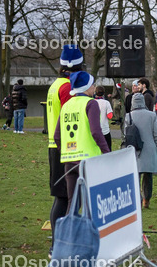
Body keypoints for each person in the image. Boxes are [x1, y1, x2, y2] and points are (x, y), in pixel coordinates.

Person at [55, 71, 110, 208]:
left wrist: (65, 151)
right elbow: (96, 132)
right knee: (92, 203)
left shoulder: (67, 105)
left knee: (72, 204)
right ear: (86, 87)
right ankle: (91, 230)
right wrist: (107, 153)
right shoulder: (91, 104)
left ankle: (69, 229)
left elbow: (57, 136)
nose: (94, 88)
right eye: (92, 85)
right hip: (88, 161)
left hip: (69, 160)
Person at [47, 45, 84, 229]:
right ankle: (58, 245)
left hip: (55, 146)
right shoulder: (68, 87)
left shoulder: (55, 84)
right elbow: (71, 115)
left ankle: (57, 243)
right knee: (65, 199)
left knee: (61, 198)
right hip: (65, 147)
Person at [125, 93, 157, 208]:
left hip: (134, 149)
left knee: (136, 175)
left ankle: (138, 199)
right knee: (148, 176)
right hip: (149, 148)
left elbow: (125, 134)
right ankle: (147, 199)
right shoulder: (151, 115)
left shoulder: (128, 116)